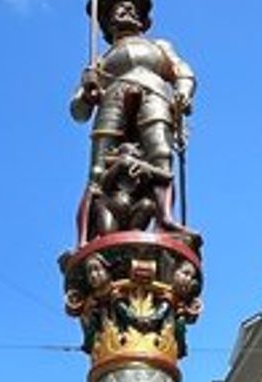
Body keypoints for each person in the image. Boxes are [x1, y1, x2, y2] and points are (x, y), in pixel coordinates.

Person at [70, 0, 195, 240]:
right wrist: (87, 93)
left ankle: (165, 218)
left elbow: (182, 71)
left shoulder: (159, 46)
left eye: (132, 6)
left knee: (160, 154)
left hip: (154, 94)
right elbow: (78, 112)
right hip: (112, 100)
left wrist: (183, 92)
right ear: (107, 22)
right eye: (119, 6)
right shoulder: (99, 62)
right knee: (98, 169)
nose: (127, 8)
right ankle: (86, 235)